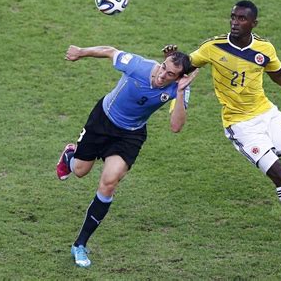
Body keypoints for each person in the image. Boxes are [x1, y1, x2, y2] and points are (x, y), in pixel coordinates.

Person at [163, 0, 281, 249]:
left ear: (253, 23)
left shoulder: (263, 48)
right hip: (241, 126)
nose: (235, 22)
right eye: (233, 17)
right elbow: (184, 67)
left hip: (268, 115)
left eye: (241, 18)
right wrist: (171, 59)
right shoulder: (213, 47)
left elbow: (278, 74)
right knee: (280, 177)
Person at [57, 44, 198, 267]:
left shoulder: (179, 88)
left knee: (109, 182)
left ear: (180, 77)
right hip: (102, 121)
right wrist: (81, 52)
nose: (162, 75)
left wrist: (180, 92)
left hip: (130, 135)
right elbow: (110, 51)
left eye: (170, 74)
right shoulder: (139, 66)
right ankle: (69, 156)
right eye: (163, 68)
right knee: (80, 171)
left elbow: (176, 126)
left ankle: (80, 244)